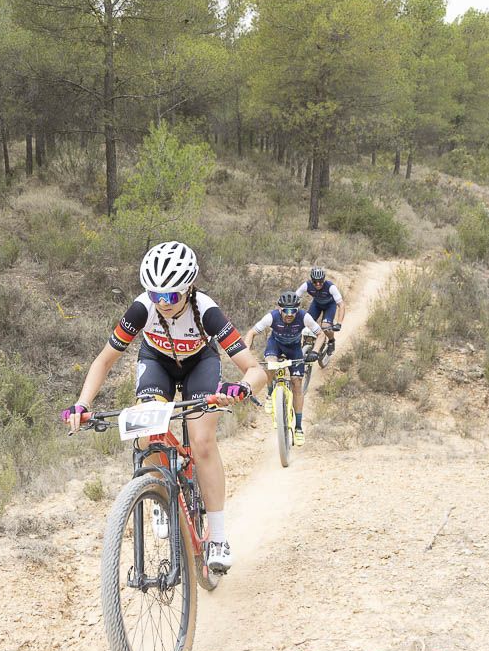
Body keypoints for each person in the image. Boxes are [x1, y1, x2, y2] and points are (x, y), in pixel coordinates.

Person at [62, 241, 267, 573]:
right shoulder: (142, 310)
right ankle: (158, 489)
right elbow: (104, 362)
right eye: (154, 294)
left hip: (199, 365)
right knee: (145, 430)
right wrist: (81, 404)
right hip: (157, 362)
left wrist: (241, 388)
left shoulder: (208, 311)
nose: (162, 303)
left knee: (202, 442)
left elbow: (255, 370)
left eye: (170, 296)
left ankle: (218, 536)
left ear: (187, 290)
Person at [246, 291, 327, 445]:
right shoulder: (271, 317)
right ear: (279, 309)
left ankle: (298, 427)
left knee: (297, 383)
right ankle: (270, 394)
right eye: (286, 311)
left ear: (298, 310)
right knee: (270, 364)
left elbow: (321, 335)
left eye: (293, 311)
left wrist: (315, 352)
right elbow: (251, 333)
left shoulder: (304, 317)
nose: (290, 314)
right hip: (275, 345)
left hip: (294, 349)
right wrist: (246, 351)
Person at [296, 267, 345, 353]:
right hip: (316, 305)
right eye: (315, 282)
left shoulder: (330, 287)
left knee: (325, 327)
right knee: (305, 323)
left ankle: (331, 341)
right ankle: (305, 346)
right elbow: (294, 298)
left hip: (330, 306)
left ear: (324, 280)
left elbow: (341, 305)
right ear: (312, 280)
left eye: (320, 281)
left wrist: (339, 323)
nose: (318, 284)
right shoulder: (307, 285)